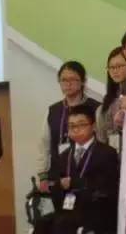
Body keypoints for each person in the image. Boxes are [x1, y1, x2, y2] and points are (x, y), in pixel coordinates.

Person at [34, 105, 119, 234]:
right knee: (42, 222)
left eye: (81, 124)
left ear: (93, 126)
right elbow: (55, 185)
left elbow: (108, 187)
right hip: (68, 210)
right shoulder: (64, 156)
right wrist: (59, 185)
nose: (76, 129)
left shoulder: (107, 153)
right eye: (71, 126)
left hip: (94, 210)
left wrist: (74, 183)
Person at [37, 62, 100, 193]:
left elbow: (102, 142)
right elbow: (44, 145)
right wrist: (42, 176)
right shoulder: (53, 110)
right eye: (64, 80)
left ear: (83, 81)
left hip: (87, 176)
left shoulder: (96, 108)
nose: (68, 84)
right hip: (58, 176)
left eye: (73, 79)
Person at [95, 47, 126, 151]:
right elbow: (101, 139)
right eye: (111, 67)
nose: (115, 71)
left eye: (119, 66)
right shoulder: (107, 102)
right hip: (111, 155)